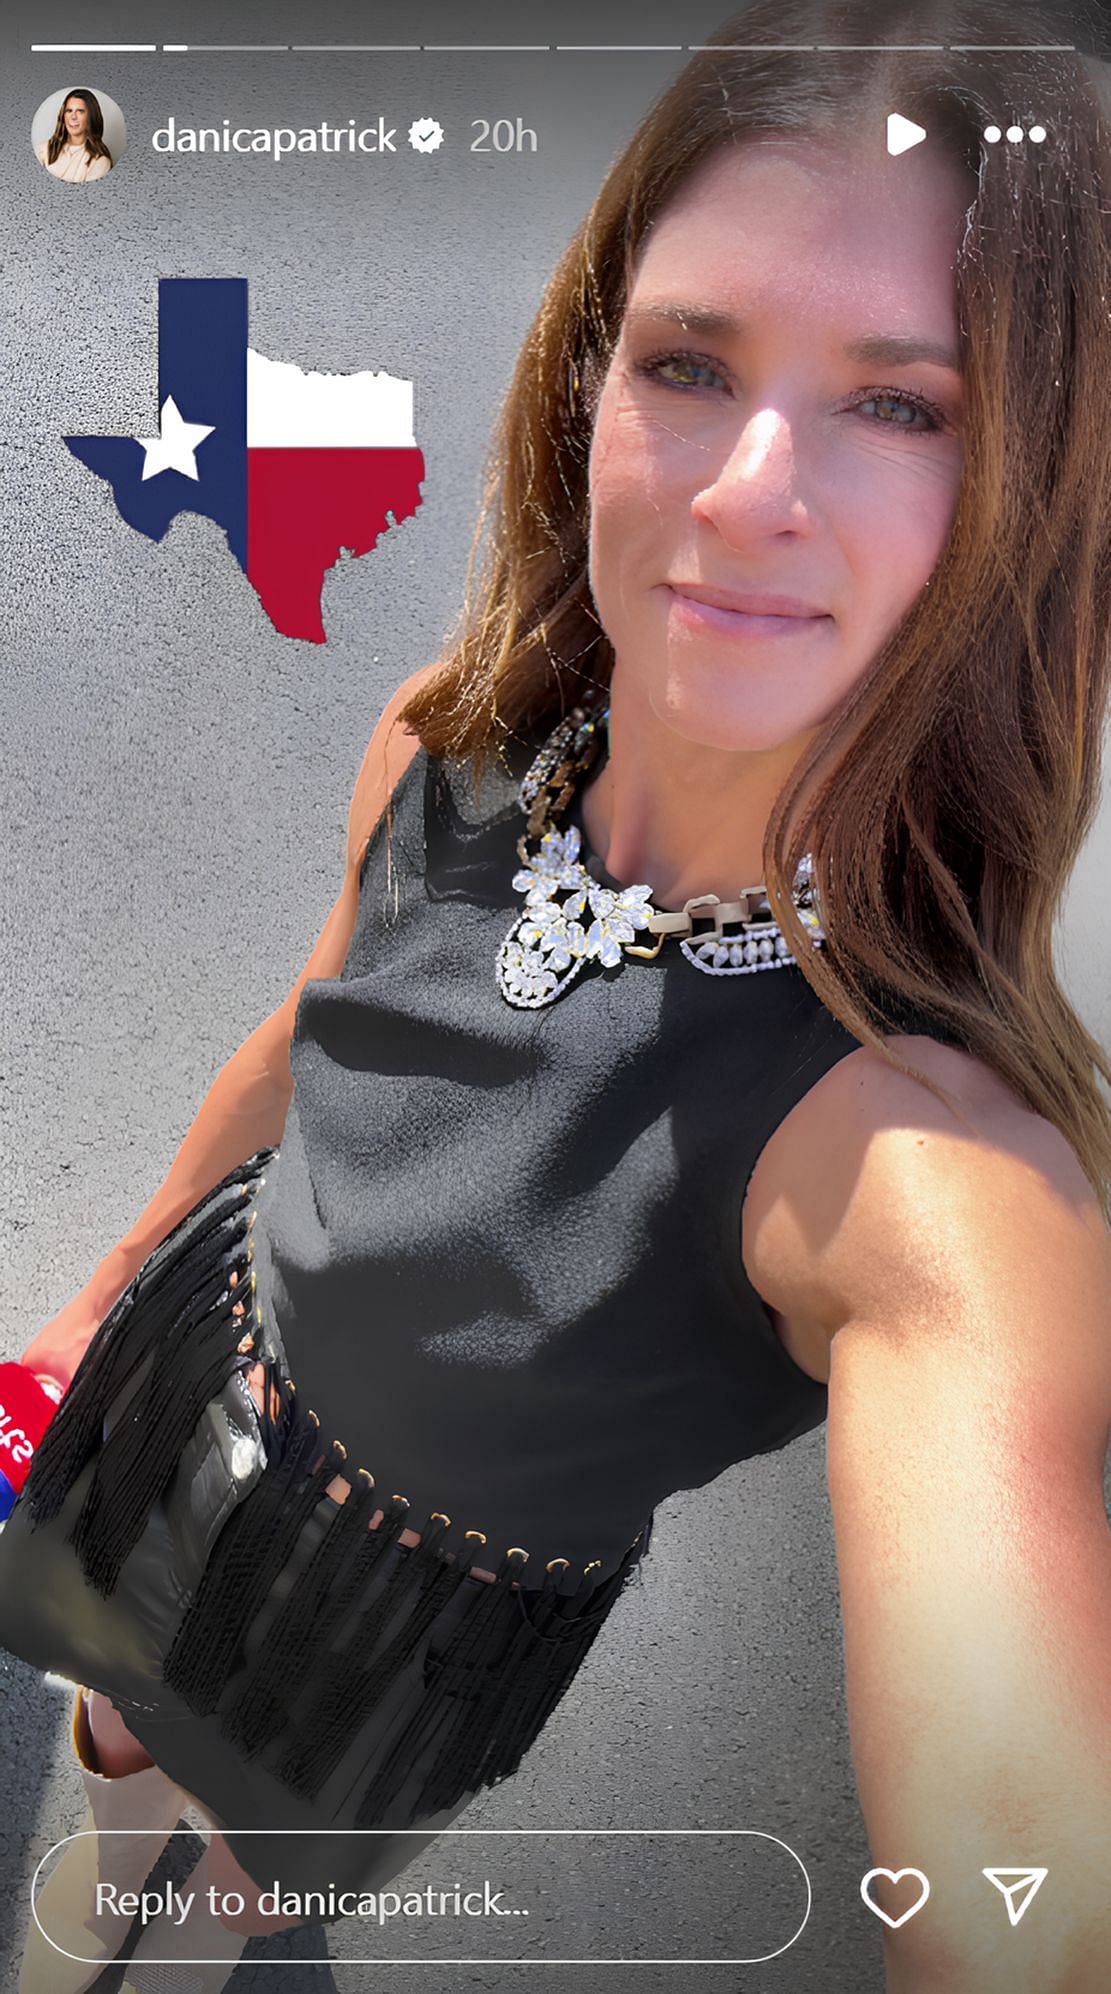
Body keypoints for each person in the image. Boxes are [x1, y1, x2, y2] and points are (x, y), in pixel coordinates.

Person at [11, 2, 1111, 1990]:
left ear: (1035, 486)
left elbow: (1029, 1878)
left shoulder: (909, 1162)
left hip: (406, 1607)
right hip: (199, 1362)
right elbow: (315, 1031)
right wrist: (110, 1279)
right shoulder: (447, 744)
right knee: (109, 1713)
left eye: (901, 403)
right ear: (590, 378)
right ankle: (97, 1858)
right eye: (692, 361)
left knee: (267, 1869)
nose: (745, 488)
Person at [36, 89, 114, 183]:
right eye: (69, 110)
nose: (73, 117)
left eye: (80, 111)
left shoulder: (100, 161)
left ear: (91, 117)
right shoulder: (44, 149)